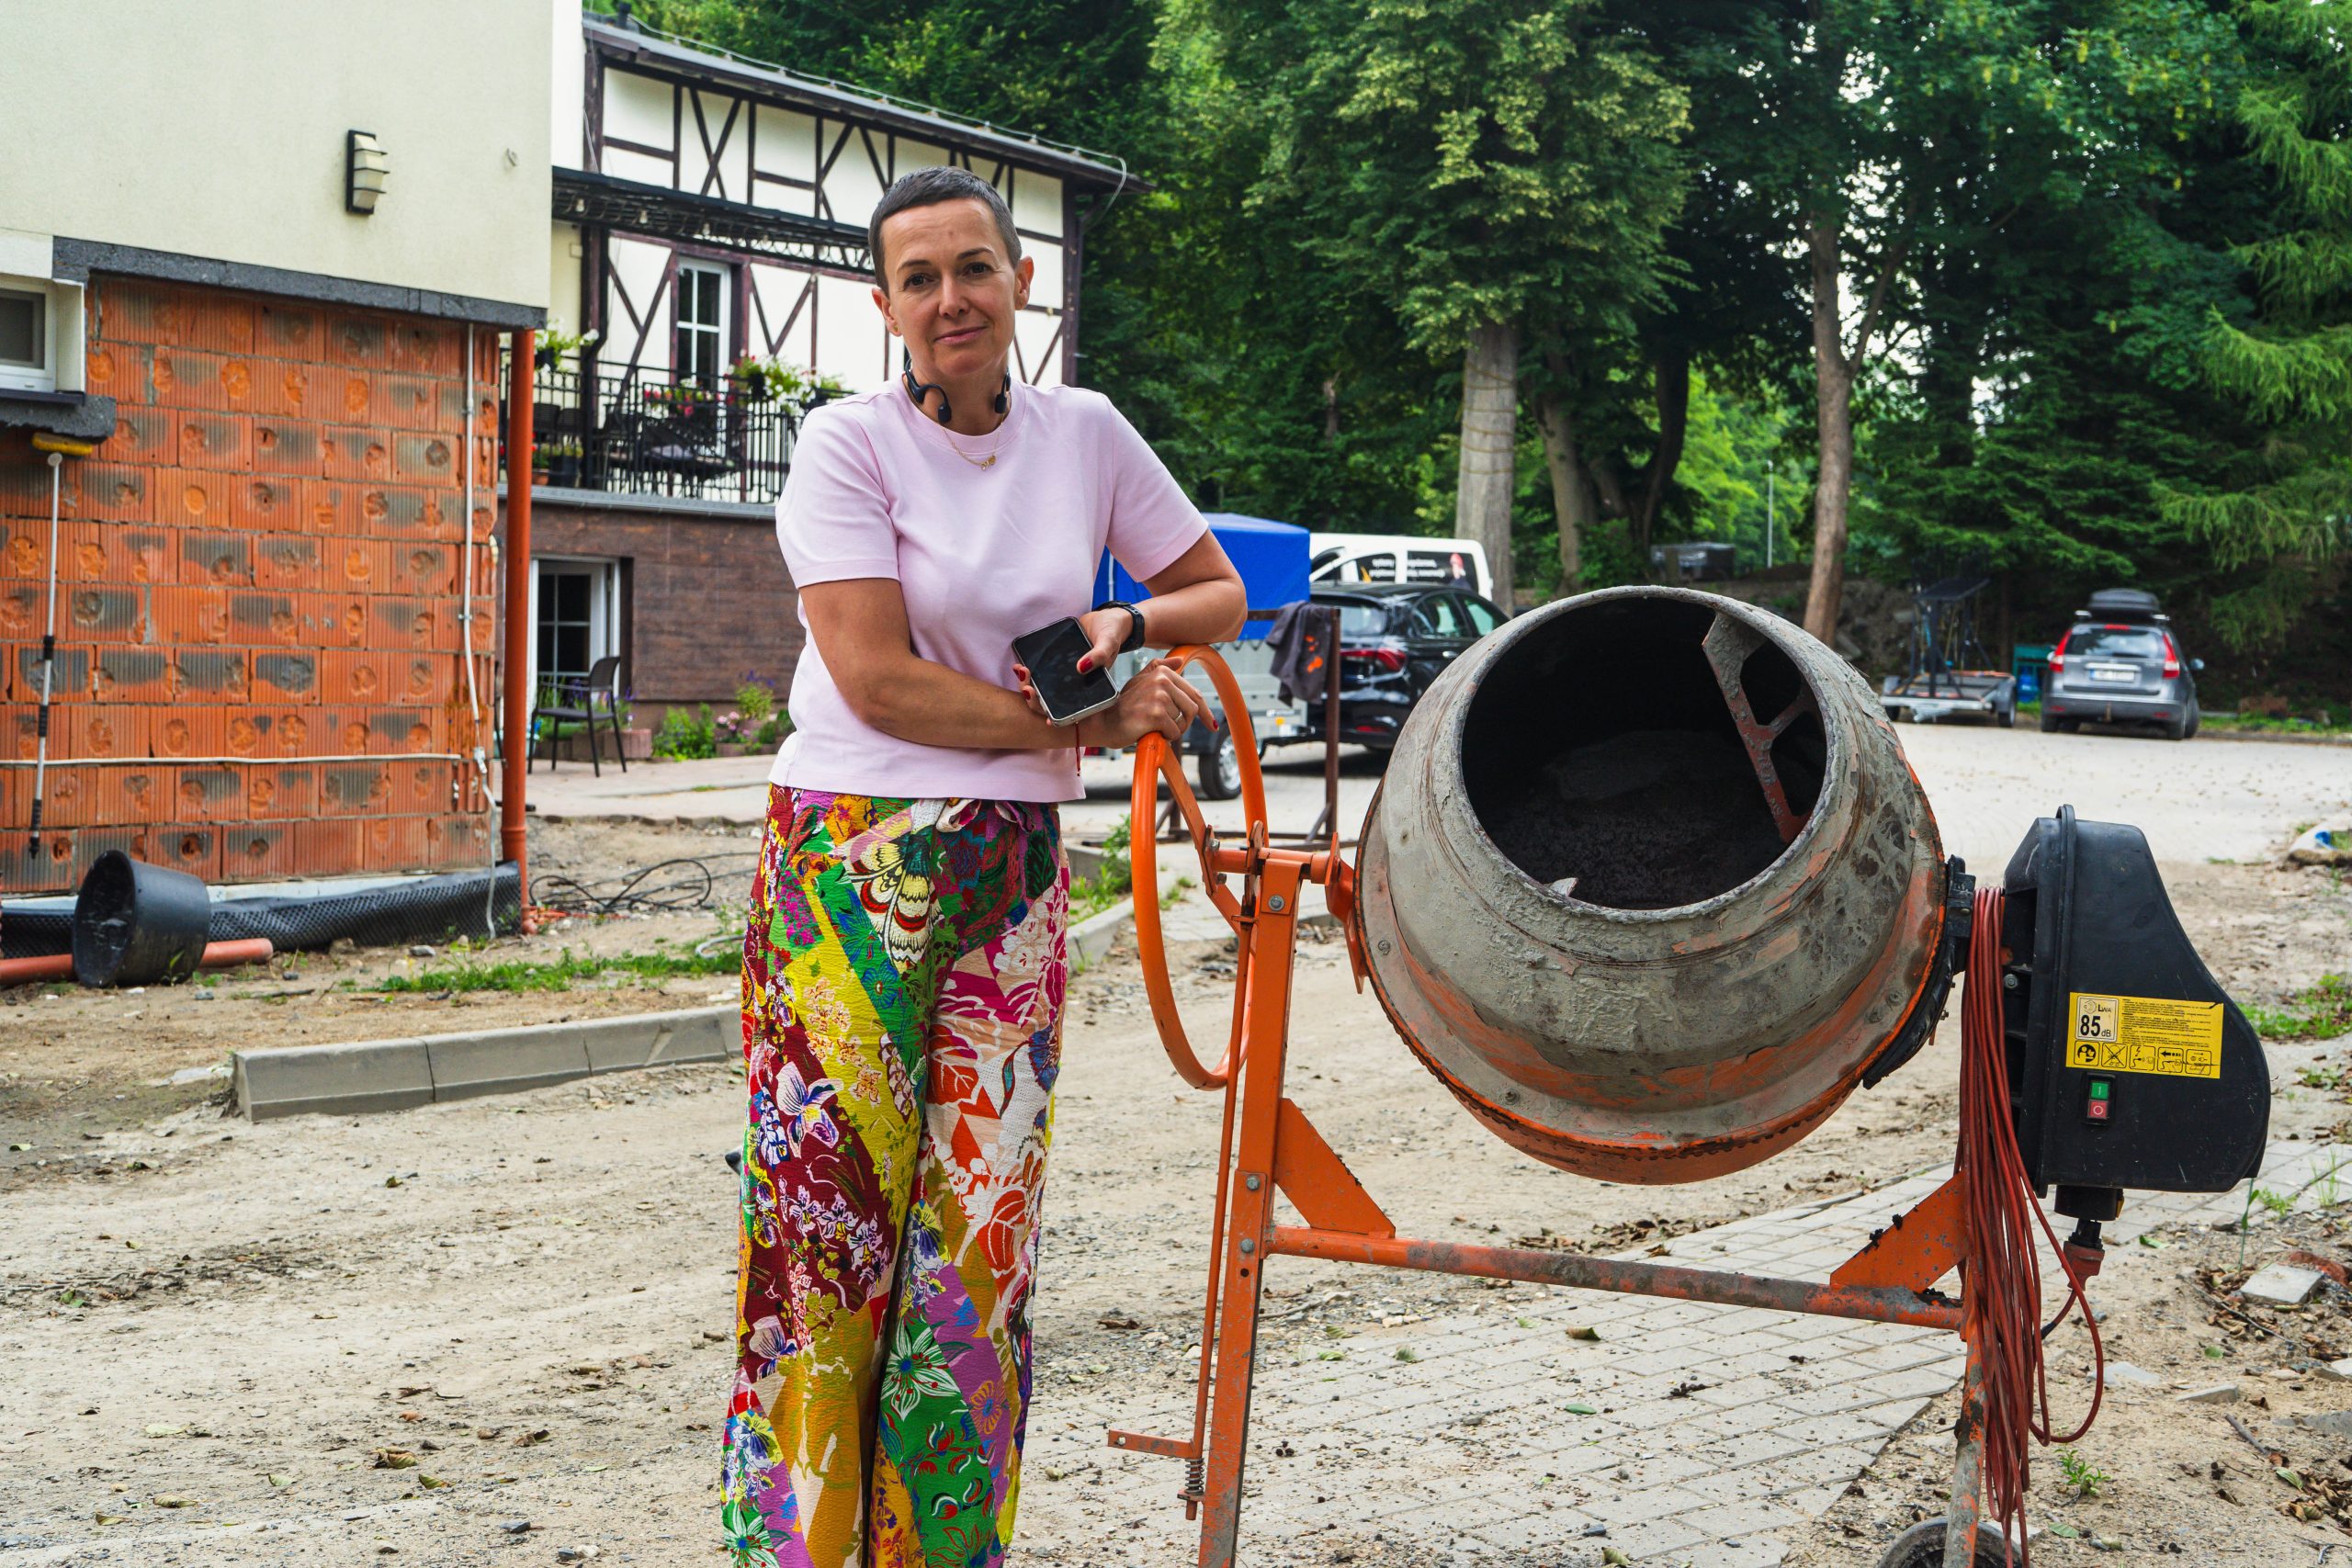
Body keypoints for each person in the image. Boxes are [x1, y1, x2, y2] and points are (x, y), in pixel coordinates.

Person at [721, 164, 1246, 1568]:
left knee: (981, 1247)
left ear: (1022, 284)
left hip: (1014, 866)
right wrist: (1084, 715)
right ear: (884, 306)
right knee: (828, 1241)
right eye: (920, 277)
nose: (952, 298)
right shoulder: (849, 447)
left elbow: (1218, 588)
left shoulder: (1086, 434)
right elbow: (880, 684)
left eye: (976, 268)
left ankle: (944, 1555)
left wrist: (1124, 633)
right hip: (849, 856)